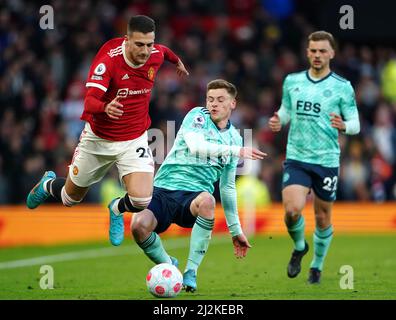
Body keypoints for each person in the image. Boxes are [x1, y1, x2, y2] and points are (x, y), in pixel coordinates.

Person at [26, 15, 189, 247]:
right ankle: (47, 185)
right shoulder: (108, 62)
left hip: (134, 138)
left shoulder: (155, 54)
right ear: (127, 40)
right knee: (70, 199)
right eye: (139, 44)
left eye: (149, 44)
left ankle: (116, 208)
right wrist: (105, 106)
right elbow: (89, 102)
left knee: (142, 199)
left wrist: (178, 62)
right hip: (99, 139)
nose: (145, 51)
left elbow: (165, 51)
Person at [118, 79, 266, 292]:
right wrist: (236, 152)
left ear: (233, 104)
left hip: (193, 198)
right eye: (210, 99)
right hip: (164, 190)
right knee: (138, 226)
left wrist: (236, 230)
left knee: (208, 200)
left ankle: (190, 272)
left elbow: (227, 187)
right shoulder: (197, 116)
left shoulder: (234, 138)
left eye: (220, 100)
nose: (213, 104)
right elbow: (196, 147)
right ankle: (170, 266)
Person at [269, 31, 360, 284]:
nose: (317, 55)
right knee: (292, 210)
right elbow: (286, 110)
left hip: (327, 160)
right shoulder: (292, 81)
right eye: (313, 50)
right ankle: (299, 247)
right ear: (307, 52)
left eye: (322, 51)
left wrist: (344, 125)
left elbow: (356, 124)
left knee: (322, 217)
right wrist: (279, 119)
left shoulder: (342, 87)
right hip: (297, 156)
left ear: (332, 53)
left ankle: (317, 266)